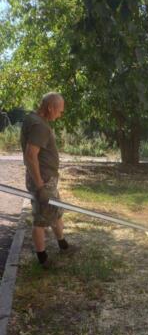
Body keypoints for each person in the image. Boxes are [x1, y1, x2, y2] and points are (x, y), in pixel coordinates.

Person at [21, 92, 75, 268]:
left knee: (56, 211)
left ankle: (63, 244)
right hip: (42, 180)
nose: (60, 115)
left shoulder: (32, 118)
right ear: (50, 107)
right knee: (41, 219)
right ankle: (43, 259)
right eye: (59, 111)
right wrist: (40, 186)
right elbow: (30, 156)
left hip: (47, 179)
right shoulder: (40, 126)